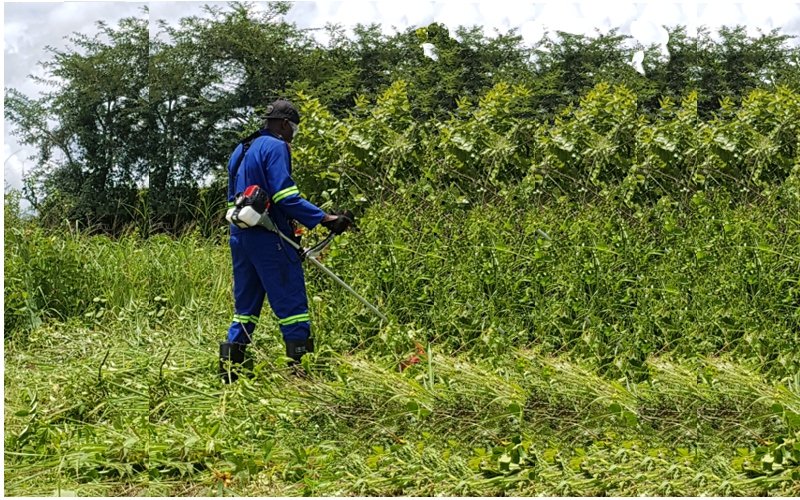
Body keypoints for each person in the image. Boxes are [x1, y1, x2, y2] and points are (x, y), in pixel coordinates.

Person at [219, 99, 351, 383]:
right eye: (294, 128)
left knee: (245, 310)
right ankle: (301, 377)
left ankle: (229, 375)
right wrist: (325, 219)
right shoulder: (276, 147)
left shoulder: (241, 149)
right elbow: (285, 196)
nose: (294, 134)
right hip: (270, 238)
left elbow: (232, 200)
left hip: (240, 237)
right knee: (292, 307)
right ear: (283, 124)